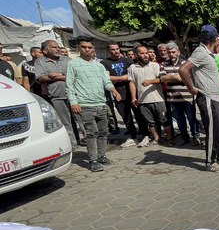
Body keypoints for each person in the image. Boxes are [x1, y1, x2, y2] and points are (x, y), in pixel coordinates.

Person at [179, 25, 219, 172]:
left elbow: (192, 71)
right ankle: (210, 162)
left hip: (217, 97)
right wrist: (191, 88)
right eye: (217, 37)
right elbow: (183, 69)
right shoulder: (200, 51)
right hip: (208, 98)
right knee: (212, 131)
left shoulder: (208, 53)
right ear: (213, 38)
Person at [66, 37, 121, 172]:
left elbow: (106, 82)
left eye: (90, 47)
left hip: (101, 104)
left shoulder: (99, 65)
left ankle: (102, 156)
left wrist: (113, 90)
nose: (87, 50)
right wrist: (74, 102)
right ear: (79, 48)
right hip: (85, 105)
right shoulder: (73, 64)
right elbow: (69, 86)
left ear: (93, 49)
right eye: (84, 47)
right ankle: (93, 160)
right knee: (91, 133)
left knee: (103, 132)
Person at [35, 40, 80, 148]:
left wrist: (56, 75)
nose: (58, 49)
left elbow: (76, 74)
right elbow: (40, 77)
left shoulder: (67, 59)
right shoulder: (40, 62)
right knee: (65, 121)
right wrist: (64, 76)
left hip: (75, 94)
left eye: (58, 47)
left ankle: (89, 140)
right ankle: (72, 143)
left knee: (81, 118)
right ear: (46, 50)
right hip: (56, 95)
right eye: (55, 47)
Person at [102, 42, 145, 147]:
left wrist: (116, 79)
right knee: (126, 117)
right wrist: (123, 77)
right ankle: (133, 136)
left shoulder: (127, 60)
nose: (116, 51)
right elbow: (107, 78)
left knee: (139, 115)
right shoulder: (105, 63)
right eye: (113, 49)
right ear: (108, 50)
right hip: (118, 94)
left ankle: (144, 135)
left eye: (117, 49)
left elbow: (132, 76)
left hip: (132, 92)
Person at [160, 42, 199, 146]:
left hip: (187, 97)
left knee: (192, 118)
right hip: (173, 98)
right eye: (169, 52)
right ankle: (184, 138)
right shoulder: (164, 64)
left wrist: (172, 77)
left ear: (178, 52)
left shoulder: (185, 63)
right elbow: (162, 78)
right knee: (180, 120)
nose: (171, 54)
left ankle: (196, 137)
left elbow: (190, 77)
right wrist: (177, 77)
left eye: (173, 52)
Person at [128, 45, 167, 147]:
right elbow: (132, 83)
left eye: (146, 53)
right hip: (142, 100)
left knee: (164, 119)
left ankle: (169, 138)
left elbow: (162, 79)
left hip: (157, 98)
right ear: (136, 55)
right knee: (150, 122)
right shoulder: (132, 67)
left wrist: (150, 81)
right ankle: (156, 138)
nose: (146, 55)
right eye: (142, 53)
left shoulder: (155, 65)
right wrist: (133, 97)